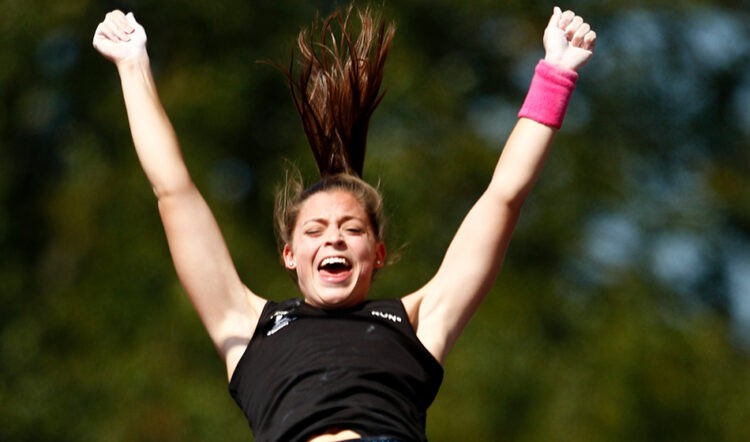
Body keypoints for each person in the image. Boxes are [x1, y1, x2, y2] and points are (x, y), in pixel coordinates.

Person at [93, 5, 596, 442]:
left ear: (377, 254)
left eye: (352, 230)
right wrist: (133, 64)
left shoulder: (418, 322)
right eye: (313, 230)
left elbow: (502, 198)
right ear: (289, 255)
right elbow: (174, 191)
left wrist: (555, 72)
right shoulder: (247, 325)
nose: (333, 236)